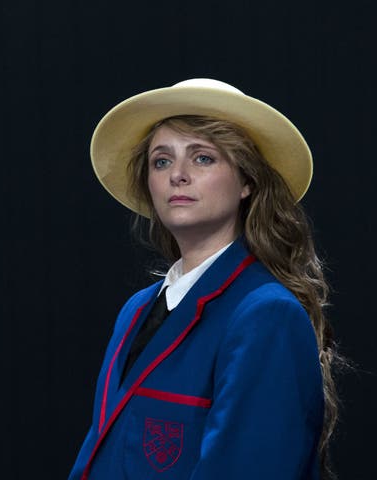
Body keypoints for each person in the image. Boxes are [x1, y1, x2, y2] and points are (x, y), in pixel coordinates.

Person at [69, 79, 338, 480]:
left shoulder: (266, 314)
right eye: (162, 161)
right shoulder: (135, 310)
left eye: (203, 158)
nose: (177, 174)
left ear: (247, 182)